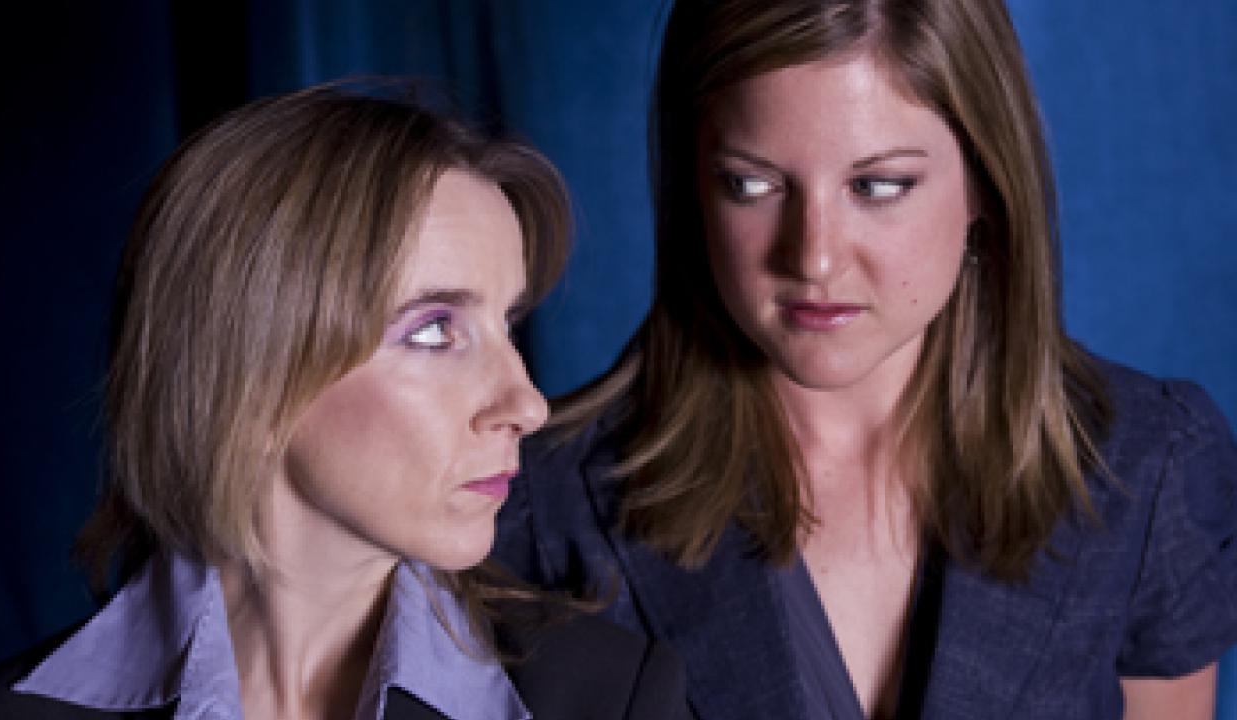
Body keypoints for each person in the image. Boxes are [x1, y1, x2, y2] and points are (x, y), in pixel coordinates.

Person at [492, 1, 1237, 718]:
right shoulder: (536, 507)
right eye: (752, 184)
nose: (813, 258)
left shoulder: (1149, 467)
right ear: (694, 184)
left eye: (878, 186)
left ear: (985, 179)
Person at [0, 85, 689, 720]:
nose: (527, 404)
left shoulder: (607, 697)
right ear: (248, 371)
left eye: (509, 324)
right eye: (435, 329)